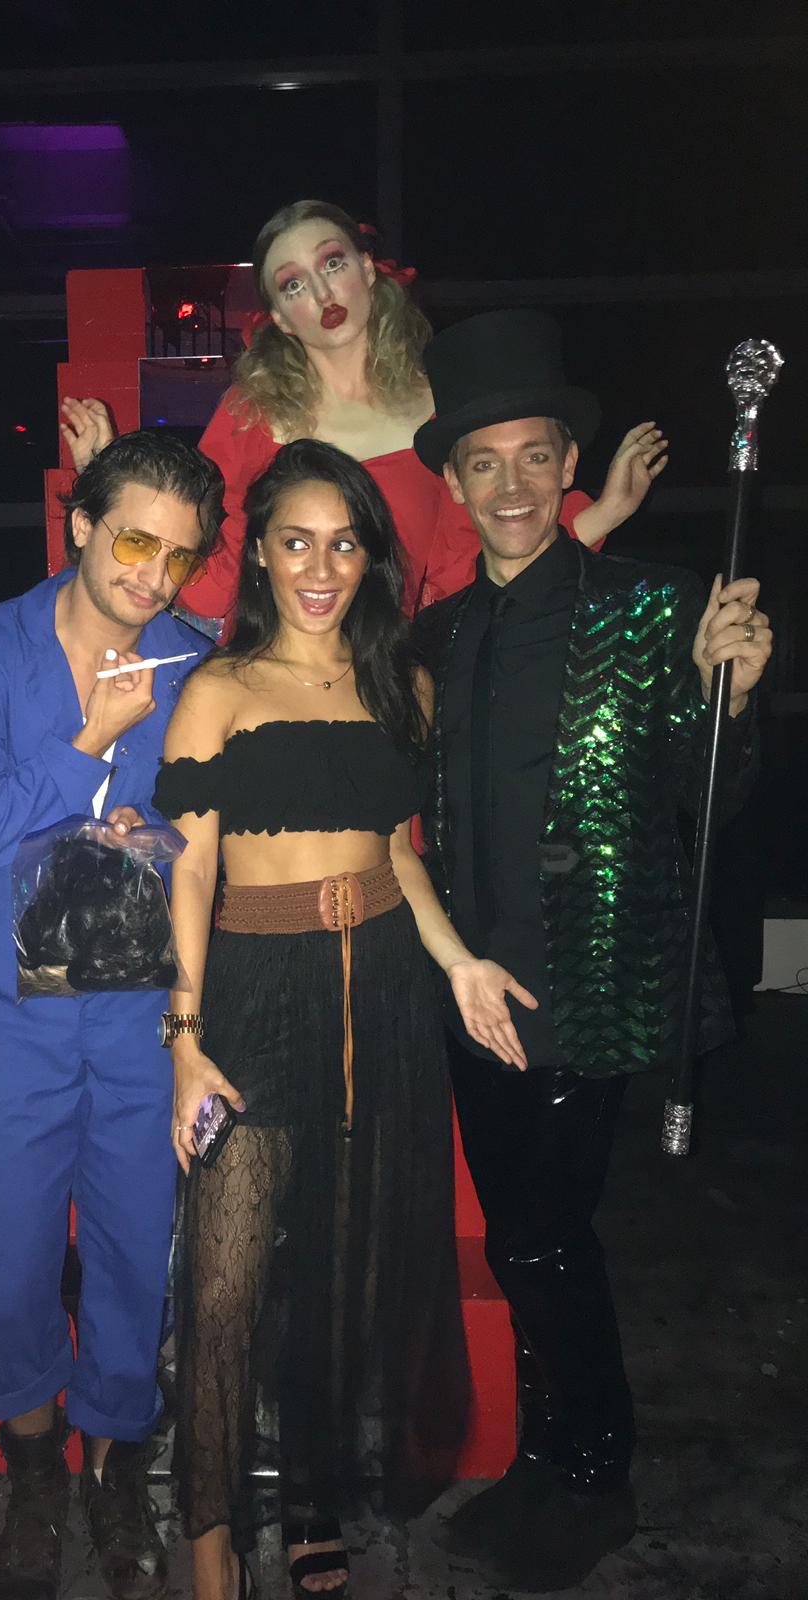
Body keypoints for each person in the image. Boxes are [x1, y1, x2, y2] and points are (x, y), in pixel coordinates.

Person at [411, 309, 772, 1592]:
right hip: (472, 987)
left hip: (587, 980)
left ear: (570, 465)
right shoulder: (439, 635)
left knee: (545, 1239)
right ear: (456, 483)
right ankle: (547, 1455)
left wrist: (730, 698)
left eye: (533, 456)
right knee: (523, 1239)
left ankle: (594, 1473)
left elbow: (705, 800)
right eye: (484, 462)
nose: (510, 484)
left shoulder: (648, 606)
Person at [154, 439, 540, 1600]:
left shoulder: (397, 684)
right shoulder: (218, 689)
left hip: (380, 988)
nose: (320, 568)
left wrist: (458, 962)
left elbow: (399, 855)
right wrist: (184, 1038)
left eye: (343, 543)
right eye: (296, 542)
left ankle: (312, 1497)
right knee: (222, 1287)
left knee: (339, 1267)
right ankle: (210, 1541)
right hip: (253, 988)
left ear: (370, 556)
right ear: (259, 556)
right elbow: (189, 869)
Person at [0, 431, 223, 1600]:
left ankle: (114, 1465)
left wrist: (147, 833)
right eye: (136, 541)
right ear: (82, 522)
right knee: (7, 1251)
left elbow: (211, 830)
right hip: (14, 1011)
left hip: (142, 1003)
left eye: (180, 556)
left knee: (134, 1250)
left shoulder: (195, 664)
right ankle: (35, 1464)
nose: (155, 576)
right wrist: (87, 743)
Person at [61, 198, 667, 620]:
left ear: (368, 271)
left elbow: (469, 569)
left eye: (333, 263)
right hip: (272, 687)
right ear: (279, 319)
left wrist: (606, 511)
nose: (323, 292)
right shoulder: (251, 416)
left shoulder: (443, 409)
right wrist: (110, 477)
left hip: (401, 682)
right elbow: (203, 581)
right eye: (294, 284)